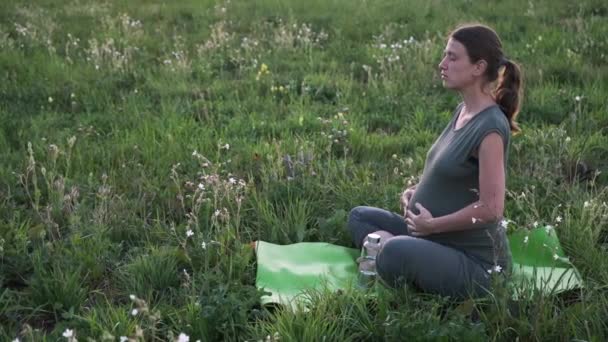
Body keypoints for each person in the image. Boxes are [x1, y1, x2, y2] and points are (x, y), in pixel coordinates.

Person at [348, 23, 523, 298]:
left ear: (478, 67)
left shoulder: (490, 128)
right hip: (430, 235)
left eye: (453, 57)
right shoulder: (463, 110)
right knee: (359, 217)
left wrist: (433, 225)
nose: (442, 64)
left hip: (476, 265)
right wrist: (415, 192)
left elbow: (492, 209)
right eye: (445, 55)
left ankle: (393, 252)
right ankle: (398, 252)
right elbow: (448, 173)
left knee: (393, 250)